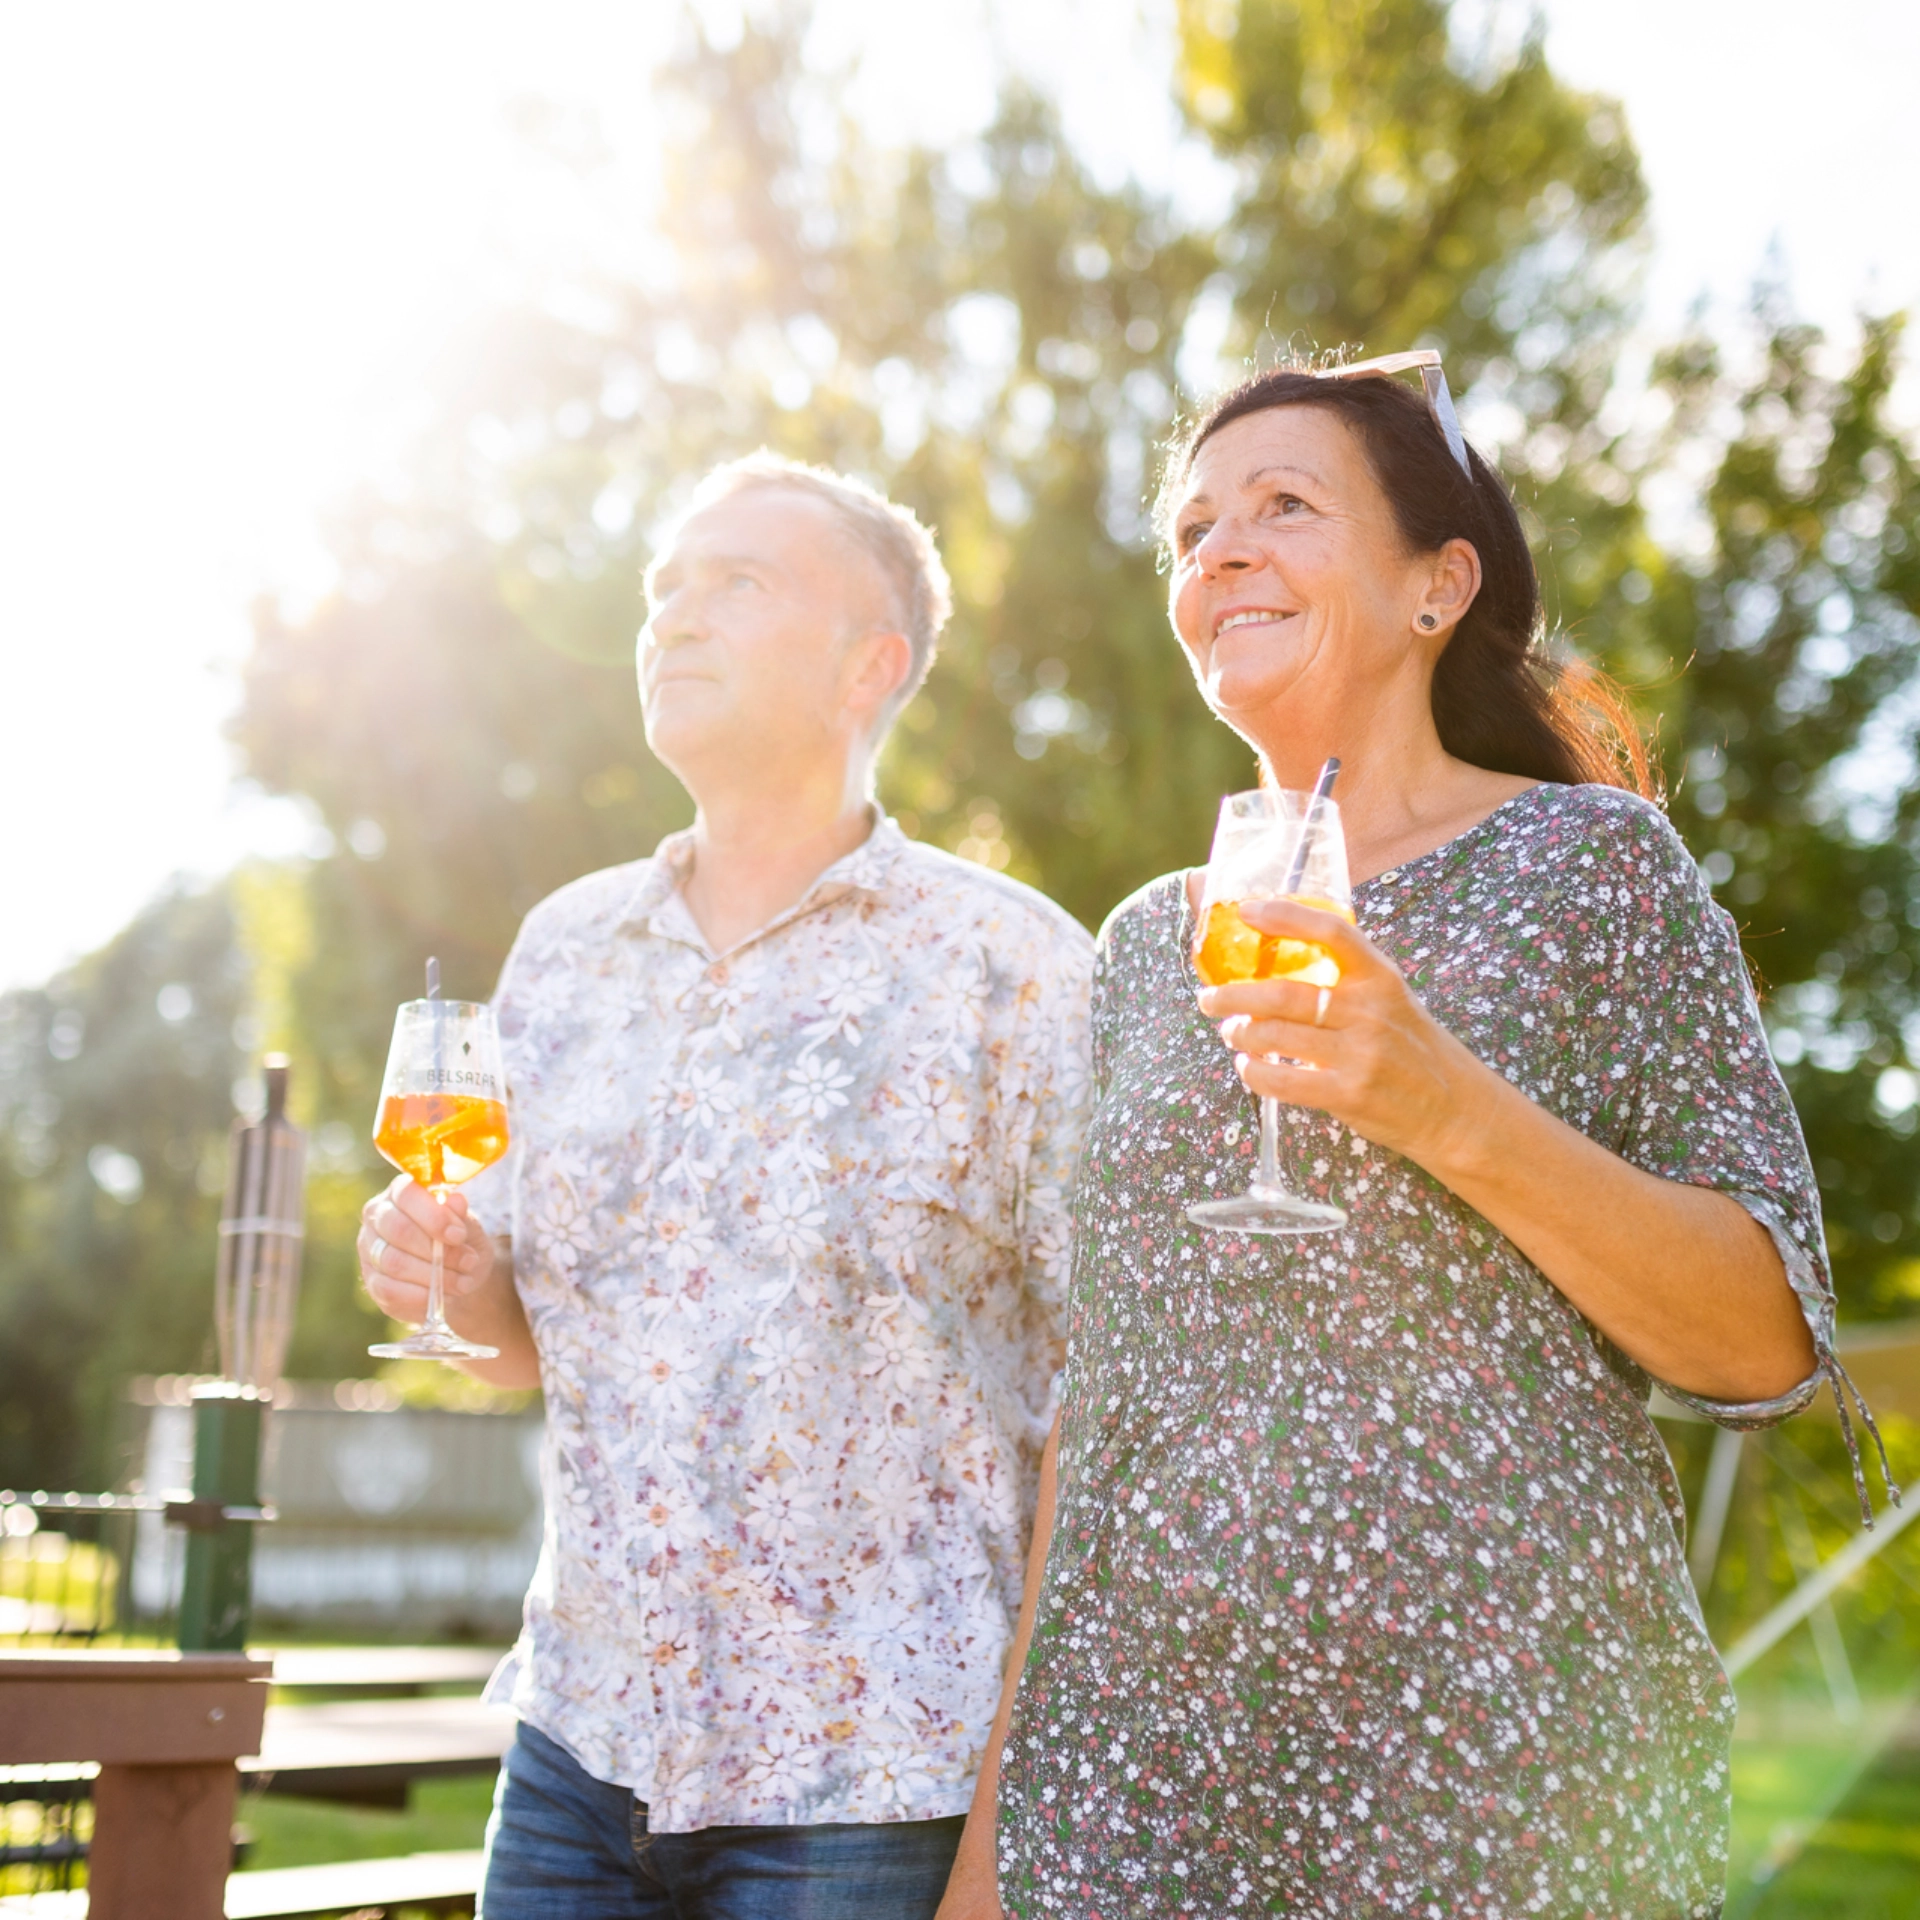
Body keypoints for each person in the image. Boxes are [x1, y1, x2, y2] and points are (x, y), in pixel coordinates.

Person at [938, 358, 1892, 1919]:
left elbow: (1766, 1343)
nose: (1219, 553)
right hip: (1134, 1799)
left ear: (1438, 584)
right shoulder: (1137, 947)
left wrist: (1441, 1105)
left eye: (1283, 508)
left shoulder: (1592, 868)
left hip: (1501, 1774)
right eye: (1192, 530)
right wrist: (989, 1850)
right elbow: (1100, 1401)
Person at [357, 452, 1093, 1919]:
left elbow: (1101, 1407)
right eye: (664, 589)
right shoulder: (563, 952)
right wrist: (451, 1276)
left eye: (736, 584)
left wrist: (1003, 1847)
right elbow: (518, 1345)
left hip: (875, 1783)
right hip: (578, 1748)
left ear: (865, 668)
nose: (673, 617)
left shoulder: (1017, 969)